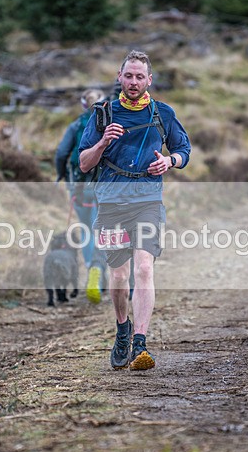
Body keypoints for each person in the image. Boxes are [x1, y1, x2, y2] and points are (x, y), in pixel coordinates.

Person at [78, 50, 191, 370]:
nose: (133, 82)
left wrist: (169, 161)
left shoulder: (162, 113)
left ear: (149, 80)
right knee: (118, 275)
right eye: (128, 76)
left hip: (148, 202)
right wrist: (102, 143)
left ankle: (141, 342)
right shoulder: (102, 114)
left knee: (143, 269)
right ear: (119, 76)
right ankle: (122, 329)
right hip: (111, 203)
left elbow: (184, 149)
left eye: (140, 77)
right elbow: (84, 163)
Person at [54, 88, 109, 304]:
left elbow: (60, 154)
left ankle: (89, 271)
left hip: (78, 185)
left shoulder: (76, 125)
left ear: (83, 105)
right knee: (102, 229)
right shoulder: (109, 125)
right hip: (103, 186)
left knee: (86, 229)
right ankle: (99, 270)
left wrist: (61, 175)